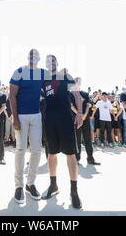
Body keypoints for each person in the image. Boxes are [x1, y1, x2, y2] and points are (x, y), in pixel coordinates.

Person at [41, 55, 82, 209]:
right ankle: (53, 185)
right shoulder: (43, 81)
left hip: (66, 119)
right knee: (51, 154)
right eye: (47, 61)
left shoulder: (66, 76)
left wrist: (79, 114)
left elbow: (77, 95)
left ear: (57, 63)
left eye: (52, 61)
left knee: (71, 154)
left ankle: (74, 191)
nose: (50, 63)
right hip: (50, 120)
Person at [9, 49, 46, 204]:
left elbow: (55, 84)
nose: (33, 57)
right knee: (21, 149)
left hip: (36, 115)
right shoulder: (19, 71)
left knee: (37, 150)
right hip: (21, 116)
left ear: (39, 58)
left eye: (36, 55)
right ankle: (18, 186)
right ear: (27, 57)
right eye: (31, 55)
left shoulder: (43, 73)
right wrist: (15, 118)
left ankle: (30, 184)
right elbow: (11, 95)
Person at [71, 77, 100, 165]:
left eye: (79, 81)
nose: (78, 83)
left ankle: (90, 158)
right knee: (77, 140)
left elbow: (89, 105)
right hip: (76, 120)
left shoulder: (85, 93)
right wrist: (79, 114)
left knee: (88, 139)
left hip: (85, 119)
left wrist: (84, 115)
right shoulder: (71, 94)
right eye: (76, 81)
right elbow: (71, 106)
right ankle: (77, 159)